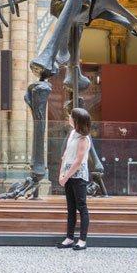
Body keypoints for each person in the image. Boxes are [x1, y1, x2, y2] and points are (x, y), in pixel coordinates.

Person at [57, 107, 91, 251]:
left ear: (77, 120)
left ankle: (82, 240)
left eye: (71, 116)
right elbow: (65, 154)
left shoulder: (84, 139)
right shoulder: (72, 133)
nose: (69, 117)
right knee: (71, 208)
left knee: (82, 208)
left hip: (78, 176)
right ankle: (69, 237)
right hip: (68, 175)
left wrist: (66, 177)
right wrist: (61, 174)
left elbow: (78, 161)